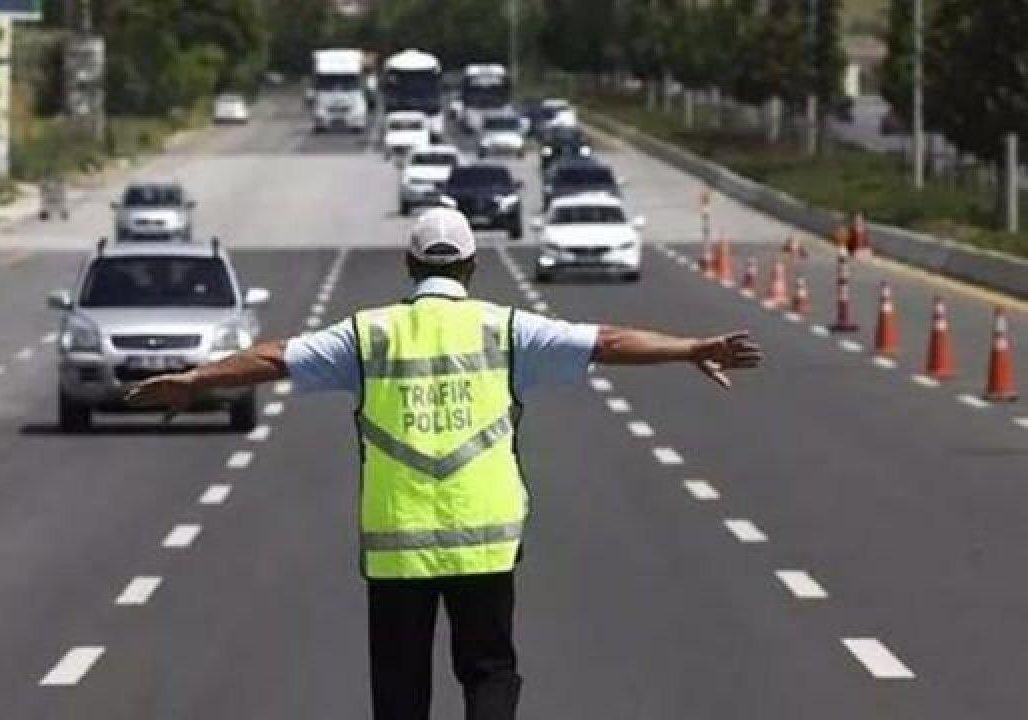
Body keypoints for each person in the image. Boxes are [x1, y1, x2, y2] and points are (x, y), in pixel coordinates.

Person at [125, 207, 763, 720]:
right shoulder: (505, 328)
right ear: (472, 265)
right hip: (483, 541)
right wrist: (690, 348)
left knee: (400, 690)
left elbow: (274, 358)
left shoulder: (368, 334)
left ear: (408, 265)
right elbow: (608, 342)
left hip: (398, 545)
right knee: (489, 672)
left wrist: (196, 380)